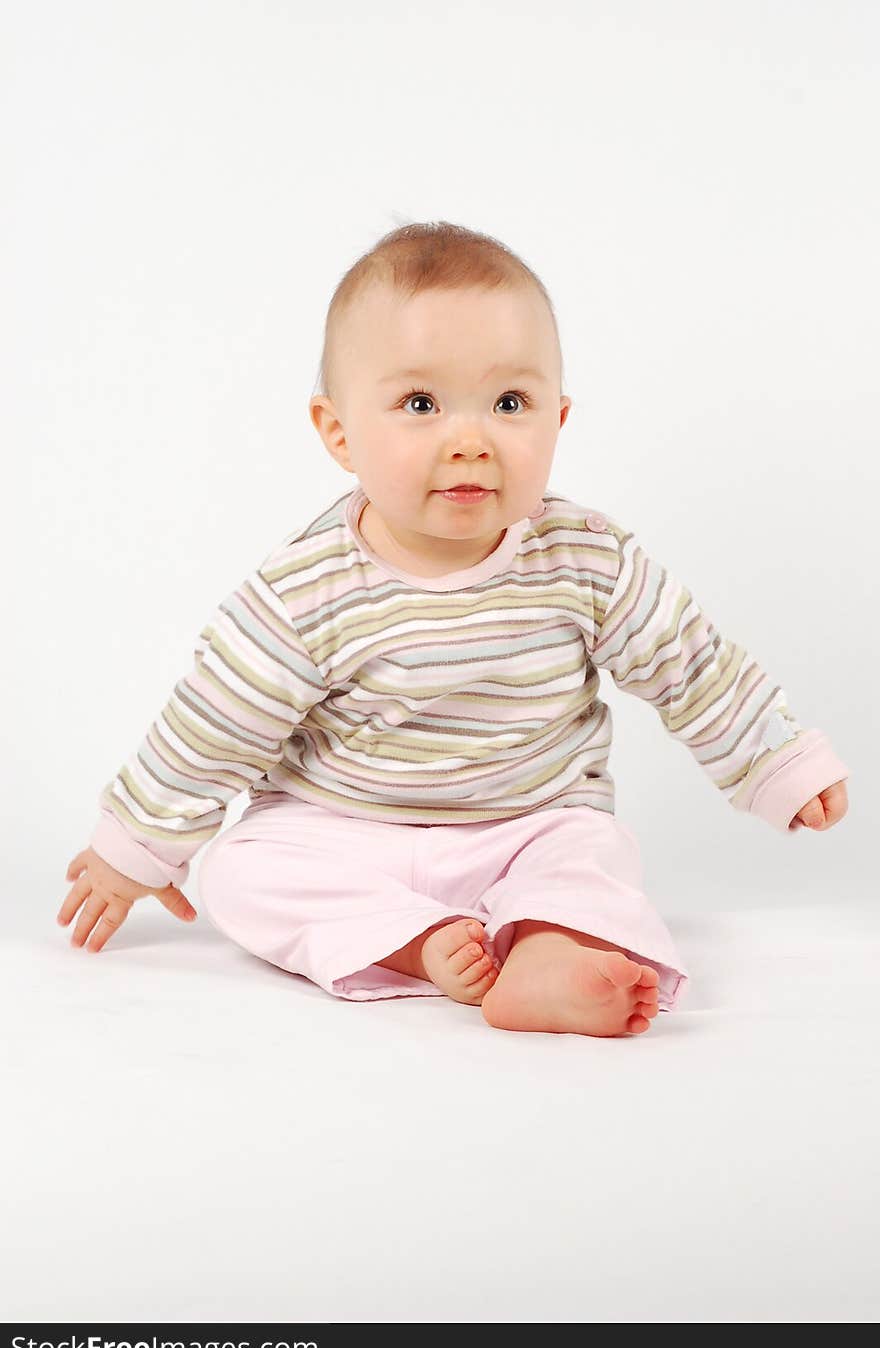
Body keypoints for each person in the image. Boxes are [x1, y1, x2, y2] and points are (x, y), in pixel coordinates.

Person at [56, 220, 851, 1038]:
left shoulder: (585, 559)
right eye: (420, 404)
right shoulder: (305, 591)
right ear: (338, 432)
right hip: (346, 828)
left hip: (527, 822)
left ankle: (548, 950)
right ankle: (420, 944)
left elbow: (690, 663)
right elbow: (213, 726)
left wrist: (774, 757)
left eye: (510, 403)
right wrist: (134, 850)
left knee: (593, 854)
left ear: (559, 419)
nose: (469, 441)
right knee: (244, 871)